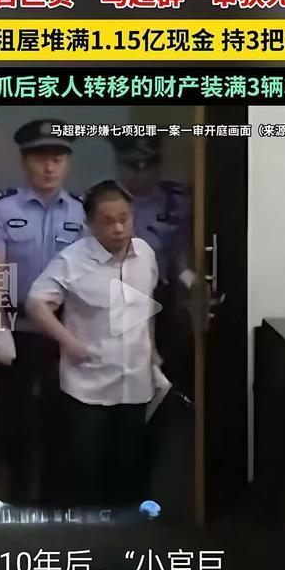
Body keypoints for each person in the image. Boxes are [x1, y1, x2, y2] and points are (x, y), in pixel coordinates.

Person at [27, 180, 163, 508]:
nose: (118, 228)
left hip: (135, 381)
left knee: (130, 467)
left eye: (124, 219)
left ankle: (130, 529)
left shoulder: (145, 254)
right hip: (88, 384)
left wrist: (153, 352)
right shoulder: (72, 261)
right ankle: (86, 532)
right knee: (84, 472)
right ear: (90, 223)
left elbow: (147, 306)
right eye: (108, 221)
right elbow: (36, 303)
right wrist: (68, 341)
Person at [0, 118, 86, 502]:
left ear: (68, 163)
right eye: (40, 158)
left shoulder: (81, 213)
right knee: (14, 417)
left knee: (61, 415)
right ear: (24, 161)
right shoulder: (2, 209)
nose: (49, 167)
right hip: (16, 328)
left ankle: (55, 499)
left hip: (64, 329)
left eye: (57, 158)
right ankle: (15, 495)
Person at [108, 134, 194, 397]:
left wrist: (188, 275)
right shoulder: (102, 203)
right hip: (118, 296)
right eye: (134, 166)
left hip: (163, 296)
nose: (141, 173)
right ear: (119, 164)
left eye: (149, 165)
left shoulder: (176, 201)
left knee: (169, 371)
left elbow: (183, 246)